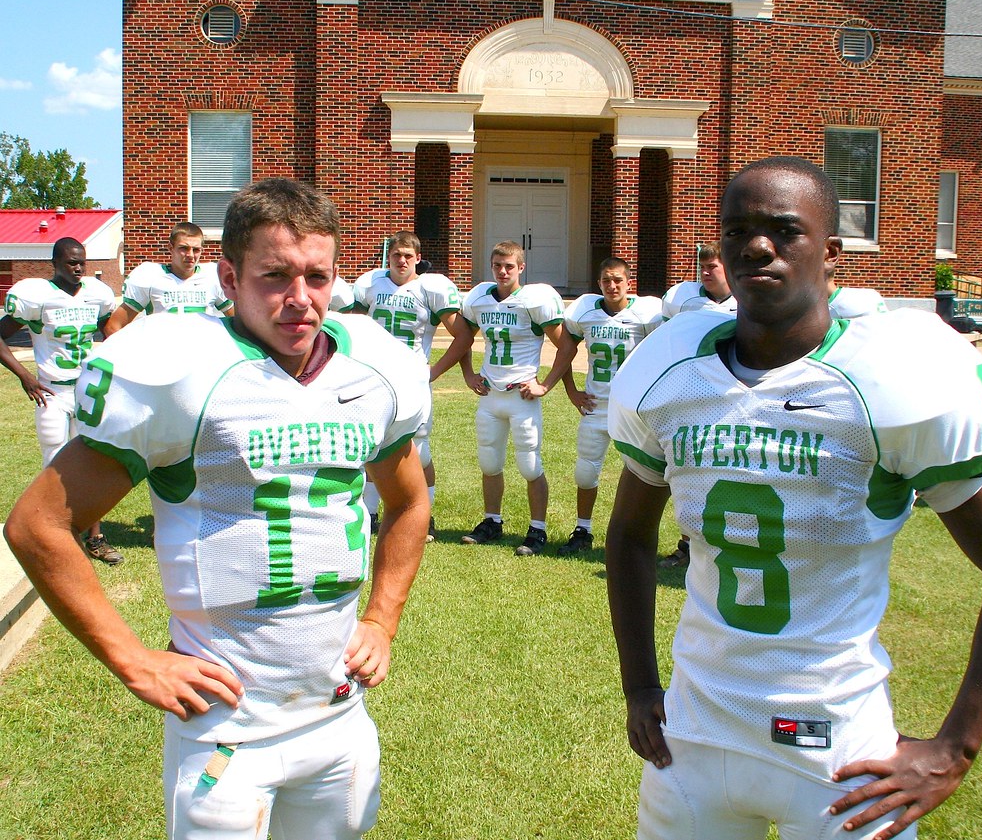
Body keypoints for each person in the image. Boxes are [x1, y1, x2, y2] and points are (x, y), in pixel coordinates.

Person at [605, 156, 982, 840]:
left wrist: (955, 747)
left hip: (833, 741)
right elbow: (626, 535)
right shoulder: (669, 371)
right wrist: (638, 684)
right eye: (736, 229)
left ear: (831, 253)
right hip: (694, 730)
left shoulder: (883, 380)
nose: (755, 246)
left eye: (782, 229)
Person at [4, 179, 431, 840]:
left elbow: (408, 501)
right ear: (228, 276)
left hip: (338, 714)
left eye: (317, 276)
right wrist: (134, 660)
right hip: (226, 726)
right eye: (275, 275)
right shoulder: (177, 367)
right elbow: (37, 524)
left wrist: (381, 617)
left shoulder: (372, 366)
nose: (300, 299)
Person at [0, 237, 122, 565]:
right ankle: (52, 538)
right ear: (54, 264)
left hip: (87, 391)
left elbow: (109, 329)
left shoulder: (96, 295)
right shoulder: (37, 296)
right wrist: (26, 376)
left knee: (93, 463)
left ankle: (95, 537)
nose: (79, 268)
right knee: (55, 466)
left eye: (82, 261)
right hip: (52, 392)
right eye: (71, 262)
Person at [352, 231, 473, 540]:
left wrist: (433, 372)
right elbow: (352, 325)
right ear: (388, 257)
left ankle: (424, 515)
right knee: (371, 444)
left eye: (408, 255)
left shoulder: (430, 288)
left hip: (411, 379)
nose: (402, 260)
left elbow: (463, 335)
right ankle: (370, 514)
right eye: (396, 255)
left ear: (418, 258)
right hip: (375, 378)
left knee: (417, 451)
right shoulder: (371, 284)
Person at [459, 241, 576, 556]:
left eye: (509, 265)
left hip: (521, 396)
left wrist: (546, 385)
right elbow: (462, 337)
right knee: (489, 461)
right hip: (490, 394)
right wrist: (469, 374)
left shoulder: (533, 301)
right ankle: (491, 521)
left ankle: (537, 530)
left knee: (529, 465)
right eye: (497, 264)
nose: (502, 271)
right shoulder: (481, 298)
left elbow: (567, 347)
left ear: (521, 268)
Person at [558, 257, 661, 555]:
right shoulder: (585, 312)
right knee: (585, 472)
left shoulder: (647, 314)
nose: (612, 286)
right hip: (596, 405)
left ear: (629, 283)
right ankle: (582, 529)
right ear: (598, 283)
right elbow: (565, 351)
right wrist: (571, 391)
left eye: (617, 280)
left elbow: (659, 358)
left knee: (643, 475)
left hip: (632, 410)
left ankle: (636, 534)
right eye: (606, 280)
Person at [660, 243, 741, 569]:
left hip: (731, 397)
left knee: (730, 473)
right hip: (690, 396)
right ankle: (687, 543)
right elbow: (665, 342)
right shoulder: (684, 299)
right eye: (703, 266)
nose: (706, 272)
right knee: (689, 474)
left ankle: (725, 543)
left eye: (713, 266)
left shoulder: (745, 299)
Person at [105, 221, 233, 333]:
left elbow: (238, 323)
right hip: (163, 356)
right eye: (184, 248)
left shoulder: (212, 277)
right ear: (170, 248)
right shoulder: (150, 276)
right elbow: (113, 326)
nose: (190, 255)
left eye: (196, 250)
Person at [661, 243, 737, 319]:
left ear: (729, 267)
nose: (704, 272)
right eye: (702, 267)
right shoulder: (682, 295)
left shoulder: (746, 300)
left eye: (711, 266)